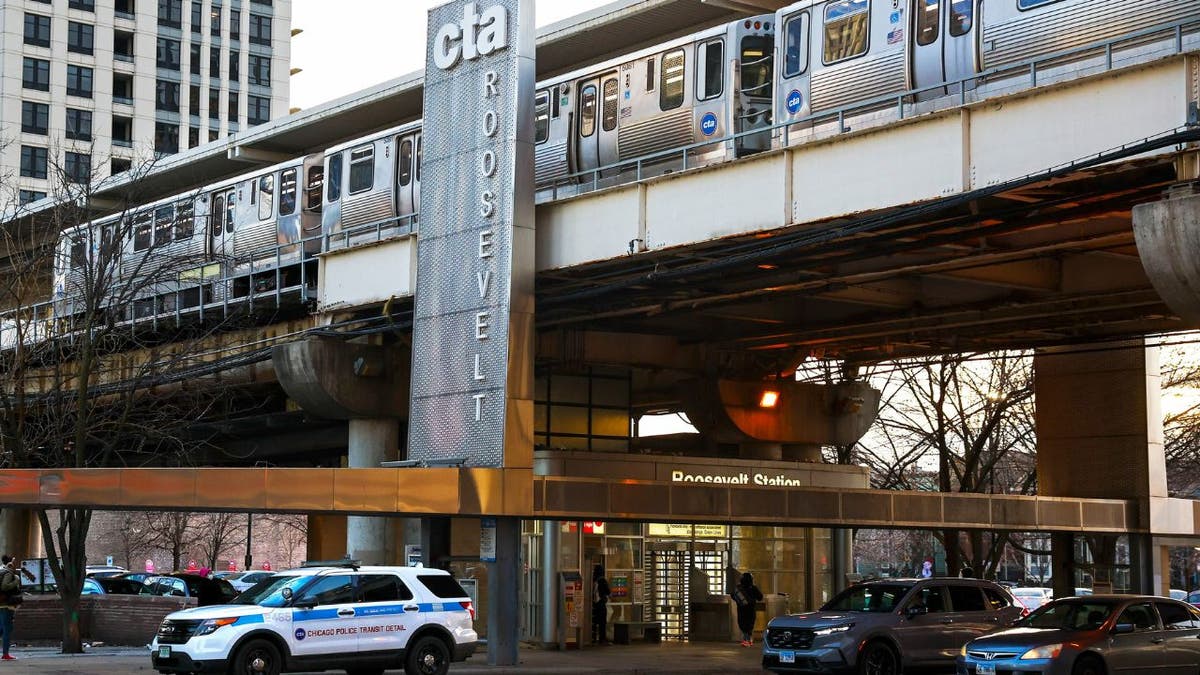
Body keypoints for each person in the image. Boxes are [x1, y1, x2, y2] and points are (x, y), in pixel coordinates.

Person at [0, 555, 29, 661]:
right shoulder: (8, 573)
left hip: (1, 605)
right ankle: (5, 654)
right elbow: (5, 586)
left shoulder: (1, 571)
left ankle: (5, 653)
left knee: (2, 629)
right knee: (7, 629)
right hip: (7, 605)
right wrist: (16, 580)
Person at [732, 571, 763, 647]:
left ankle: (746, 639)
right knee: (750, 624)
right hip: (751, 610)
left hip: (741, 610)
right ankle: (748, 639)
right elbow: (760, 597)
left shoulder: (738, 587)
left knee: (742, 624)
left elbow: (733, 596)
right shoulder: (753, 588)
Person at [592, 564, 611, 645]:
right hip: (601, 604)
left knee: (594, 621)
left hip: (593, 604)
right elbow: (608, 592)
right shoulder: (602, 580)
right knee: (602, 622)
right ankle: (602, 639)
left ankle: (592, 638)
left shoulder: (593, 579)